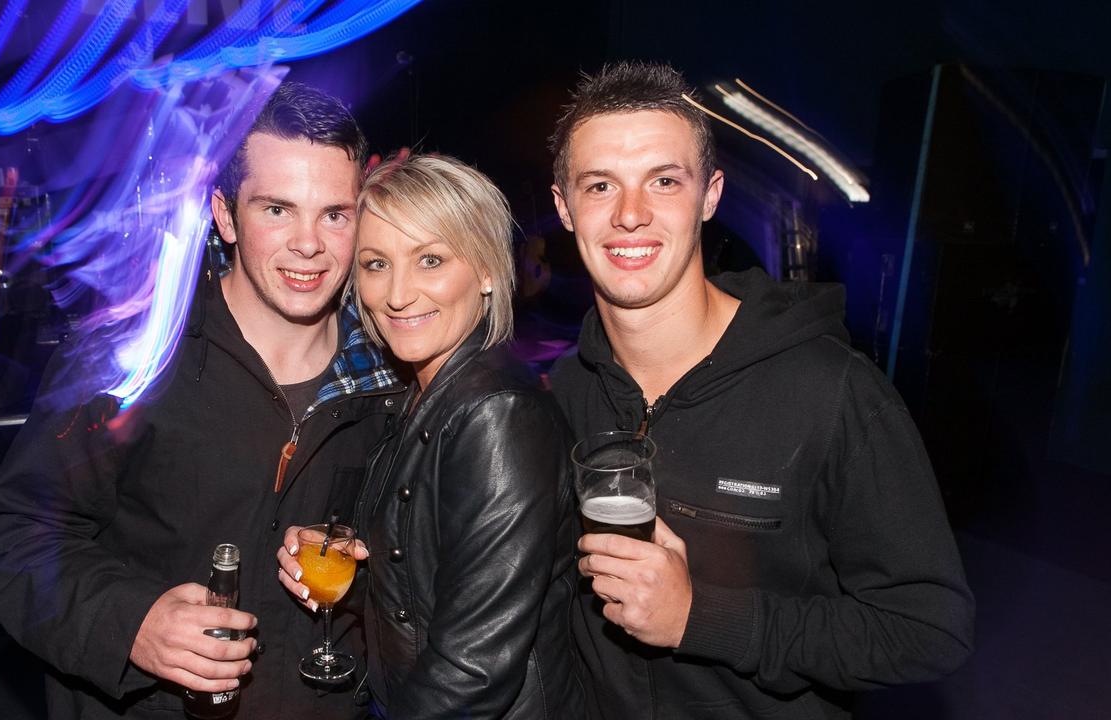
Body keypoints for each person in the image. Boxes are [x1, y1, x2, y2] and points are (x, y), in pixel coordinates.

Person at [0, 82, 403, 719]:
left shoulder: (389, 372)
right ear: (224, 215)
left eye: (335, 213)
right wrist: (131, 622)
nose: (309, 243)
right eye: (276, 209)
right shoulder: (129, 355)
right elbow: (8, 533)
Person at [547, 61, 975, 718]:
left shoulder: (831, 393)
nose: (630, 214)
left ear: (710, 195)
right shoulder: (566, 389)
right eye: (599, 185)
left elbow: (927, 631)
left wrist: (700, 618)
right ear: (564, 207)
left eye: (663, 181)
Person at [278, 154, 584, 719]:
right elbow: (429, 588)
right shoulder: (417, 394)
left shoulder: (498, 413)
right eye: (375, 264)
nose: (397, 294)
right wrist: (355, 573)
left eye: (431, 260)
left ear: (488, 270)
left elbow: (474, 669)